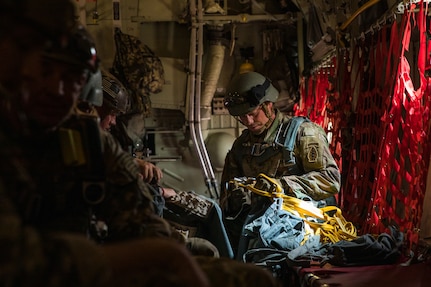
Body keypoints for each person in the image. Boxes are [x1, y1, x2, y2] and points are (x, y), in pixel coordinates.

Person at [0, 0, 209, 287]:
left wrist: (162, 254)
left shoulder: (85, 140)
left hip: (87, 270)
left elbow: (140, 217)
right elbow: (15, 263)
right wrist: (159, 257)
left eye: (72, 80)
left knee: (246, 278)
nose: (57, 91)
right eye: (46, 71)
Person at [221, 71, 341, 259]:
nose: (248, 122)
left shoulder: (304, 133)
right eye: (241, 117)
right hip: (256, 233)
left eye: (252, 114)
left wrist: (281, 186)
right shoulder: (240, 147)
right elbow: (227, 196)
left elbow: (330, 180)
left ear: (268, 105)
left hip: (301, 234)